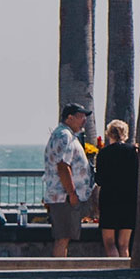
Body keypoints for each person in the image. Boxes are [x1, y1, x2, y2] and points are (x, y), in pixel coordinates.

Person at [44, 102, 98, 256]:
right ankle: (58, 274)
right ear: (69, 118)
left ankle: (60, 271)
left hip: (65, 197)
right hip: (64, 198)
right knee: (62, 238)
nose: (84, 121)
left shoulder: (66, 134)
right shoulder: (64, 136)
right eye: (81, 117)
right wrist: (72, 193)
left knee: (64, 238)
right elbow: (62, 166)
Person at [96, 120, 138, 257]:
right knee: (124, 244)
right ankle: (125, 274)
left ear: (109, 134)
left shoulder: (103, 153)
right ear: (125, 134)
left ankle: (114, 272)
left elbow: (99, 180)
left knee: (109, 242)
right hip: (129, 200)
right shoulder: (133, 152)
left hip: (109, 200)